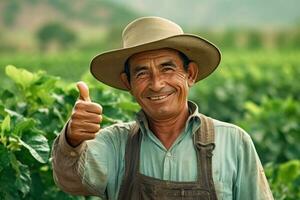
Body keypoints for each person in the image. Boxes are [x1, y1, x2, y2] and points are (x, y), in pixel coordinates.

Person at [51, 16, 274, 200]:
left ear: (191, 74)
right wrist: (72, 138)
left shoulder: (233, 142)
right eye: (142, 73)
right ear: (128, 83)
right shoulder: (114, 144)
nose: (156, 84)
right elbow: (69, 179)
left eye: (167, 68)